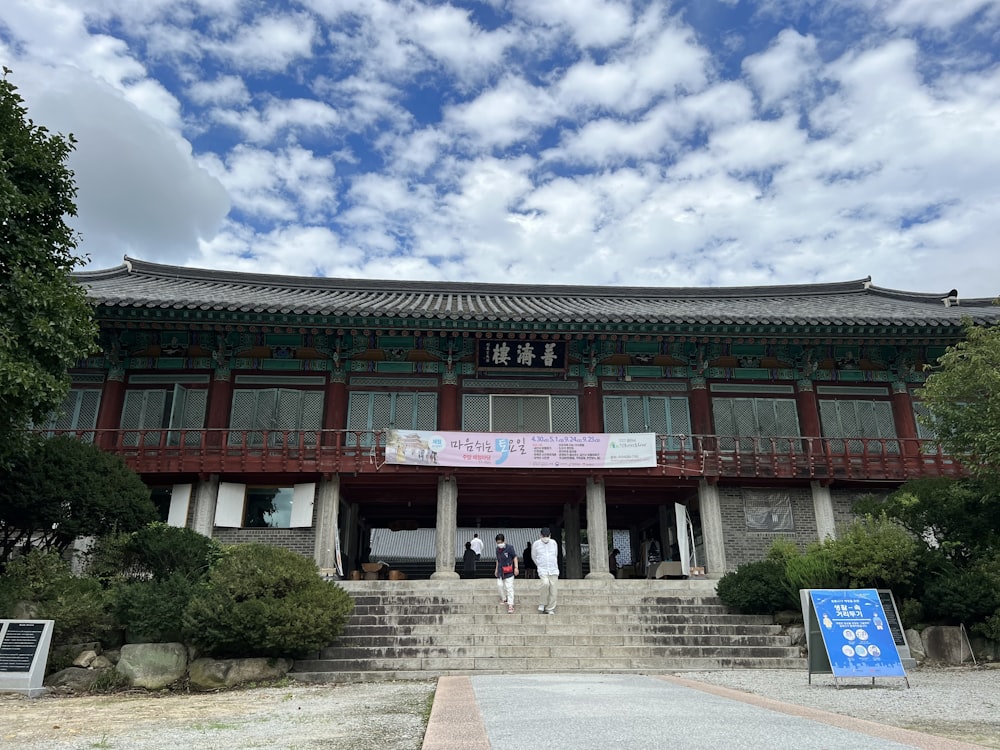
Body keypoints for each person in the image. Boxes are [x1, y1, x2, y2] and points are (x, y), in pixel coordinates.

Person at [531, 527, 559, 615]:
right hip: (543, 569)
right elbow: (534, 556)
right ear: (541, 535)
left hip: (553, 569)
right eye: (544, 536)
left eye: (547, 536)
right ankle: (542, 603)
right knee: (545, 583)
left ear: (550, 535)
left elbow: (556, 554)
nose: (546, 537)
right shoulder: (536, 544)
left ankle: (550, 608)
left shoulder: (553, 543)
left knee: (553, 591)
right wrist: (539, 564)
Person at [494, 533, 518, 613]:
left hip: (509, 570)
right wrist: (496, 569)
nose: (499, 544)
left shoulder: (510, 548)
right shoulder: (497, 549)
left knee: (509, 587)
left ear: (504, 541)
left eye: (500, 542)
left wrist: (516, 568)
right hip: (501, 571)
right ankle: (504, 599)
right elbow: (498, 560)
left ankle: (510, 605)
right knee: (499, 585)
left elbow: (514, 557)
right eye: (498, 543)